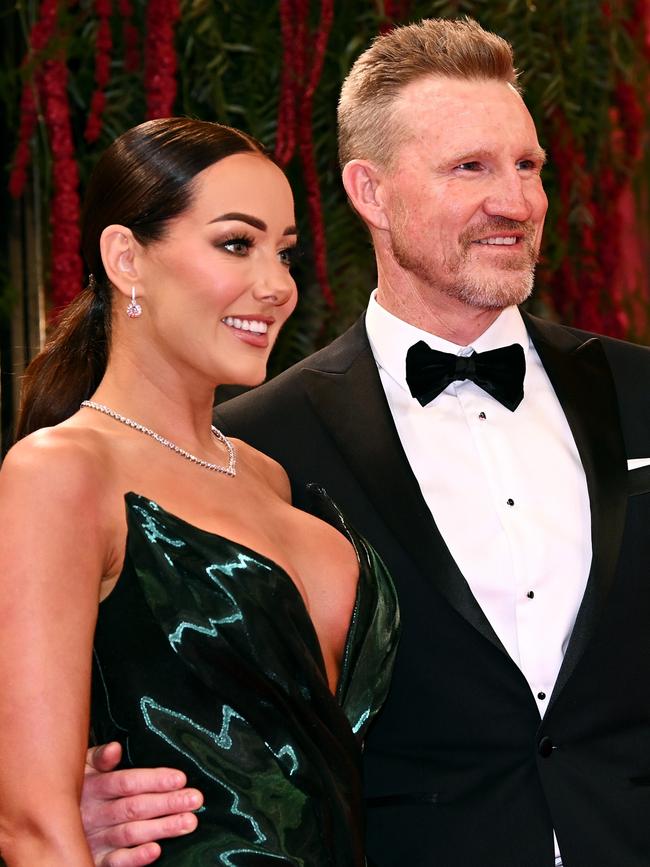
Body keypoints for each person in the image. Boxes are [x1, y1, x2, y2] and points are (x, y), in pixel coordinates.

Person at [80, 17, 650, 867]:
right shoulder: (248, 447)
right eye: (471, 167)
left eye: (526, 164)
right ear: (371, 192)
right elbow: (169, 690)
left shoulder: (643, 391)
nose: (518, 199)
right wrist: (83, 796)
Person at [0, 117, 400, 866]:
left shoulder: (267, 473)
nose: (277, 285)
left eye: (284, 251)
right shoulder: (60, 472)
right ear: (127, 259)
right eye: (235, 244)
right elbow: (33, 827)